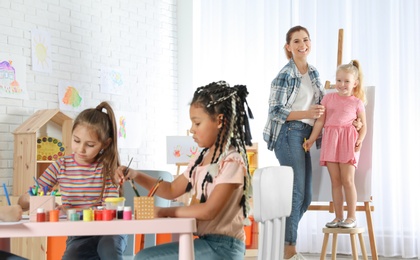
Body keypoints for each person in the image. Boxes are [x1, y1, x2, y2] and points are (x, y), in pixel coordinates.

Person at [118, 81, 254, 260]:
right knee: (144, 256)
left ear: (220, 120)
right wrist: (135, 175)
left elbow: (208, 211)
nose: (192, 130)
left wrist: (164, 212)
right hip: (206, 242)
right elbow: (171, 189)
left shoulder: (232, 160)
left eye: (197, 123)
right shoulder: (200, 159)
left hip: (224, 248)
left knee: (145, 258)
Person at [18, 101, 127, 260]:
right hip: (79, 234)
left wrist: (70, 212)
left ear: (106, 144)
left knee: (108, 250)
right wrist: (33, 200)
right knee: (72, 256)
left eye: (90, 145)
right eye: (76, 141)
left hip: (108, 231)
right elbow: (27, 197)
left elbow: (108, 213)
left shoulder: (108, 168)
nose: (81, 149)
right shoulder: (60, 165)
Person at [263, 25, 325, 260]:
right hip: (287, 133)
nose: (303, 45)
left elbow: (320, 108)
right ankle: (290, 251)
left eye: (306, 40)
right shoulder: (285, 74)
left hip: (304, 136)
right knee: (296, 192)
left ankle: (279, 239)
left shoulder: (314, 73)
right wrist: (307, 112)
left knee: (306, 196)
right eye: (296, 41)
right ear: (288, 47)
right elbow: (275, 111)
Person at [303, 60, 367, 229]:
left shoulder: (356, 102)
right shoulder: (328, 98)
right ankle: (338, 217)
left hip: (348, 141)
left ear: (355, 83)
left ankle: (351, 217)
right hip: (331, 140)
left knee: (348, 180)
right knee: (335, 181)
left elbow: (364, 126)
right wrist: (311, 139)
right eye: (339, 80)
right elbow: (320, 122)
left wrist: (360, 139)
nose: (342, 84)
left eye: (346, 81)